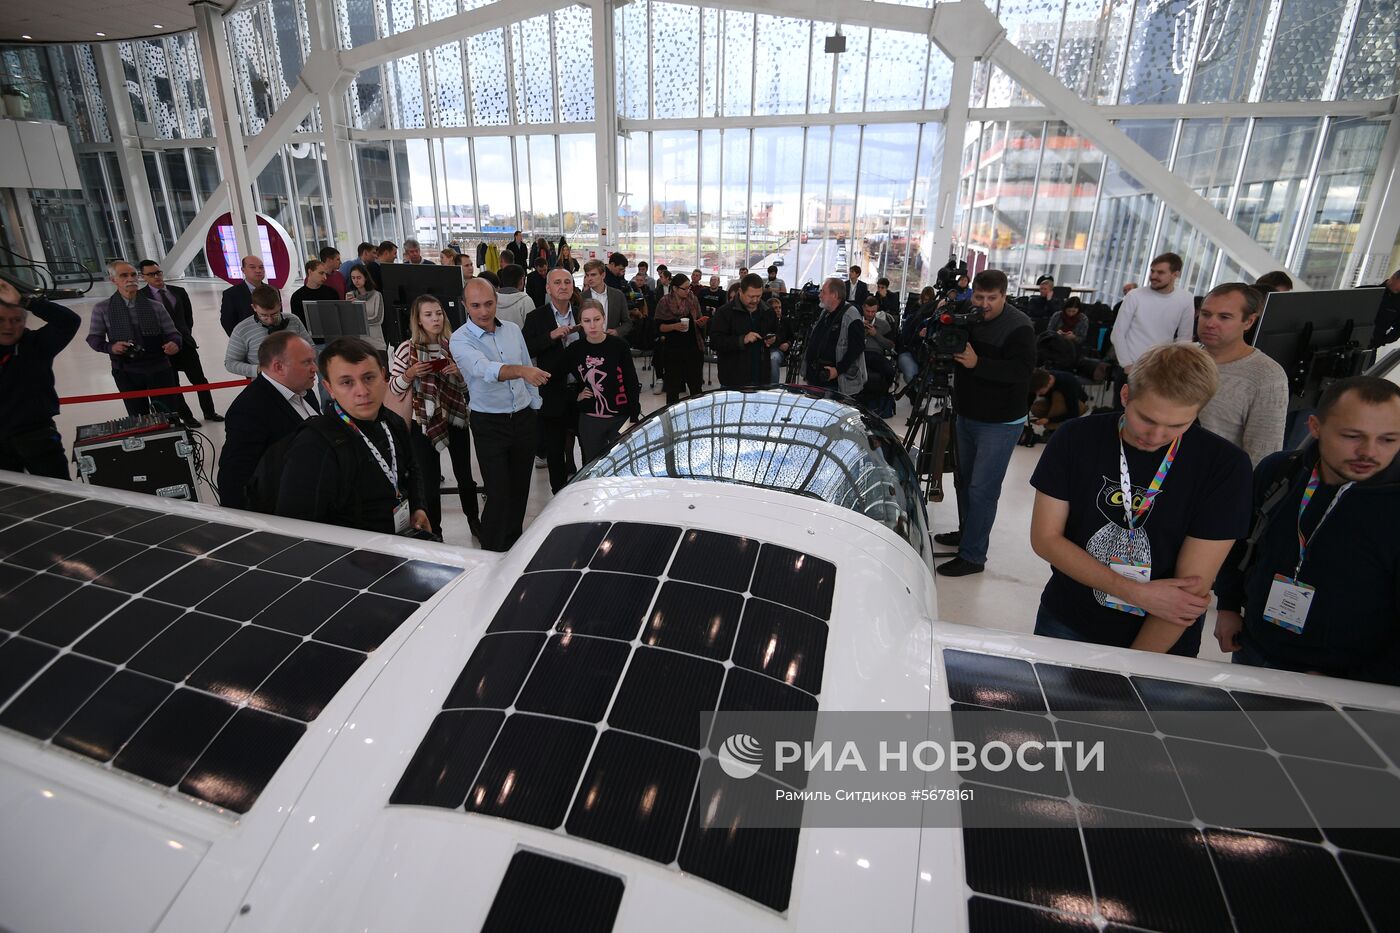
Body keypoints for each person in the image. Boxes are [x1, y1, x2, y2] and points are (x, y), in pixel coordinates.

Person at [1029, 342, 1252, 655]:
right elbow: (1045, 539)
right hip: (1068, 620)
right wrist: (1136, 593)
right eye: (1146, 418)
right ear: (1125, 396)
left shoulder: (1225, 466)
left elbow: (1189, 591)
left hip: (1161, 641)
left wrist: (1130, 669)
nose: (1157, 435)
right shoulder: (1075, 437)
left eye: (1177, 425)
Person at [1214, 377, 1400, 684]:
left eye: (1388, 440)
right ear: (1315, 427)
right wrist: (1228, 605)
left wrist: (1358, 684)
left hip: (1343, 681)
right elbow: (1242, 543)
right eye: (1353, 436)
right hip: (1253, 650)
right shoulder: (1280, 471)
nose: (1369, 451)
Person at [935, 269, 1036, 577]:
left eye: (992, 298)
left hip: (1001, 422)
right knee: (963, 481)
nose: (984, 304)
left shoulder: (1019, 327)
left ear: (1004, 295)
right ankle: (967, 533)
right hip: (967, 412)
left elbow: (1021, 372)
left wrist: (979, 363)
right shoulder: (968, 315)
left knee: (982, 488)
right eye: (979, 297)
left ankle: (974, 556)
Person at [276, 337, 431, 536]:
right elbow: (299, 529)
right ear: (330, 388)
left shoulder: (393, 422)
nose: (362, 391)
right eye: (347, 382)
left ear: (384, 376)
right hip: (353, 559)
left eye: (369, 378)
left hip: (399, 544)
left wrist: (418, 506)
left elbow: (412, 469)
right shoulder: (314, 446)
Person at [451, 277, 548, 551]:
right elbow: (485, 369)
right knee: (498, 494)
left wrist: (534, 405)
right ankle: (491, 553)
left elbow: (528, 364)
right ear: (465, 305)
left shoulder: (513, 330)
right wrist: (521, 371)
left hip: (523, 419)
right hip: (489, 424)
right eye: (476, 305)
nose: (484, 311)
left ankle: (512, 548)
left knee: (519, 492)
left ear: (497, 301)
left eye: (489, 304)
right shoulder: (460, 339)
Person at [389, 295, 481, 538]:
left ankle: (474, 521)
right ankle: (435, 530)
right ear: (418, 320)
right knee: (428, 481)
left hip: (455, 416)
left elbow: (469, 389)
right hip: (424, 422)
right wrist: (409, 374)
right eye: (428, 315)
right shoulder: (406, 349)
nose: (435, 319)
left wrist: (459, 374)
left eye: (438, 313)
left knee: (465, 475)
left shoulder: (454, 344)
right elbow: (393, 390)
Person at [218, 331, 319, 509]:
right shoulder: (249, 409)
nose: (315, 368)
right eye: (306, 362)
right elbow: (233, 478)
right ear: (279, 367)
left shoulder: (304, 391)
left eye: (313, 360)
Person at [1195, 283, 1289, 466]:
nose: (1210, 323)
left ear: (1248, 322)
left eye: (1224, 317)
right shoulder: (1182, 356)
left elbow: (1263, 454)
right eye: (1206, 314)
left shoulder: (1267, 376)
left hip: (1215, 482)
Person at [0, 278, 80, 478]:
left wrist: (28, 302)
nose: (8, 326)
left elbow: (69, 321)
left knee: (60, 496)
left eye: (16, 320)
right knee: (10, 502)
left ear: (25, 321)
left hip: (37, 436)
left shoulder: (36, 345)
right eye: (1, 320)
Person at [87, 261, 183, 417]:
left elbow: (174, 333)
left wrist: (175, 344)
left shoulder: (155, 306)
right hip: (126, 371)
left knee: (169, 414)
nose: (130, 279)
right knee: (138, 417)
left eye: (133, 275)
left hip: (159, 368)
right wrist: (111, 348)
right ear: (113, 280)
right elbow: (94, 339)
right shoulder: (102, 308)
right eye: (124, 275)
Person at [139, 259, 222, 427]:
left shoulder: (179, 291)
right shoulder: (140, 297)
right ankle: (187, 416)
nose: (157, 276)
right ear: (143, 277)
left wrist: (183, 336)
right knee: (173, 384)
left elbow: (187, 318)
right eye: (151, 274)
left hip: (185, 344)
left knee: (199, 380)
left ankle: (209, 411)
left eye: (158, 272)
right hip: (162, 349)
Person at [524, 268, 584, 492]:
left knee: (587, 445)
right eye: (557, 282)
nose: (563, 286)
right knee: (555, 449)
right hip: (552, 392)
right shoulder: (536, 317)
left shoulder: (581, 312)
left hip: (582, 390)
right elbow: (526, 347)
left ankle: (586, 491)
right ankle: (558, 494)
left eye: (567, 282)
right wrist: (550, 336)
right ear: (548, 288)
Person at [567, 299, 641, 463]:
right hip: (590, 418)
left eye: (597, 319)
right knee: (593, 465)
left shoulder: (619, 345)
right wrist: (574, 396)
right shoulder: (575, 349)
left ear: (604, 319)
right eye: (587, 321)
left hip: (620, 416)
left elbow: (631, 381)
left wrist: (634, 415)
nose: (592, 325)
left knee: (622, 463)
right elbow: (556, 378)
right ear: (581, 323)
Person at [1110, 253, 1194, 372]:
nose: (1153, 276)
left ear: (1175, 274)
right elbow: (1118, 333)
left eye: (1160, 272)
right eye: (1152, 271)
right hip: (1131, 367)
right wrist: (1127, 364)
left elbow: (1184, 339)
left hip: (1160, 369)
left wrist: (1177, 367)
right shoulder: (1134, 295)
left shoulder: (1186, 298)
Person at [226, 285, 310, 378]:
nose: (270, 320)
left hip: (297, 381)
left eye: (274, 314)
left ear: (280, 305)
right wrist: (259, 370)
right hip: (264, 385)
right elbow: (230, 363)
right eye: (263, 315)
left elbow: (311, 348)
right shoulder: (241, 329)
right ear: (254, 307)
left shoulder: (293, 320)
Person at [803, 277, 866, 395]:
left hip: (834, 383)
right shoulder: (825, 312)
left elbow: (857, 348)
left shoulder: (851, 316)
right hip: (816, 377)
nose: (819, 295)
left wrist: (838, 370)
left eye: (823, 292)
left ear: (835, 295)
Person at [709, 273, 768, 388]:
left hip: (760, 377)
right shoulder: (724, 312)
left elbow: (778, 333)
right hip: (733, 378)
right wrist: (742, 340)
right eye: (751, 296)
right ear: (740, 291)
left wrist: (774, 339)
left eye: (759, 296)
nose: (755, 300)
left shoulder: (766, 311)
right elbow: (715, 342)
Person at [654, 272, 705, 404]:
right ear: (675, 288)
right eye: (685, 288)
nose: (688, 291)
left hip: (693, 348)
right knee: (672, 388)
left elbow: (698, 317)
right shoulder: (664, 302)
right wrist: (674, 326)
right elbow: (658, 327)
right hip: (672, 350)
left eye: (689, 288)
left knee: (696, 387)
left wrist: (700, 322)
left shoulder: (693, 299)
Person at [1028, 368, 1087, 438]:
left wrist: (1049, 420)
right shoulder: (1040, 379)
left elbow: (1074, 413)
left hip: (1078, 405)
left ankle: (1053, 431)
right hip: (1055, 403)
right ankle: (1054, 425)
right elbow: (1029, 402)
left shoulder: (1066, 383)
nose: (1037, 394)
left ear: (1048, 384)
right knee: (1036, 408)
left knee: (1057, 396)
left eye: (1039, 391)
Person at [582, 259, 631, 339]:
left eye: (593, 275)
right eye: (587, 275)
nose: (589, 278)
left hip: (611, 342)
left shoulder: (618, 295)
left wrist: (617, 331)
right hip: (589, 343)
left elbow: (627, 322)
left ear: (603, 275)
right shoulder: (582, 298)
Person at [219, 254, 266, 335]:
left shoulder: (273, 290)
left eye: (261, 267)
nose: (258, 270)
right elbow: (227, 322)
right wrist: (240, 340)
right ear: (243, 270)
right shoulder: (231, 294)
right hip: (246, 339)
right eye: (252, 267)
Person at [346, 264, 386, 351]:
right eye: (353, 278)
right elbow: (349, 321)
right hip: (358, 343)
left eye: (359, 277)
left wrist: (358, 318)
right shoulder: (350, 295)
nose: (356, 281)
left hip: (376, 343)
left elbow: (378, 319)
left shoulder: (376, 295)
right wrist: (348, 306)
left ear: (366, 277)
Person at [289, 258, 339, 328]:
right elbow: (298, 323)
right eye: (321, 273)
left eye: (325, 274)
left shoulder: (332, 293)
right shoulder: (297, 296)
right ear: (310, 272)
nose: (325, 277)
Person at [495, 264, 534, 330]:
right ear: (522, 280)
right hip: (520, 339)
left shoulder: (491, 300)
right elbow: (533, 327)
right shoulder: (525, 300)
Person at [764, 296, 793, 384]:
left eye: (780, 307)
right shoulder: (765, 321)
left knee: (773, 358)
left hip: (779, 350)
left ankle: (773, 387)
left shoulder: (786, 320)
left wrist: (788, 344)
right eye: (775, 308)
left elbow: (792, 337)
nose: (778, 310)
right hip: (766, 348)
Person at [1369, 268, 1400, 349]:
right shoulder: (1365, 291)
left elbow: (1398, 330)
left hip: (1370, 347)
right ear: (1394, 277)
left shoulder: (1398, 304)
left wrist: (1381, 340)